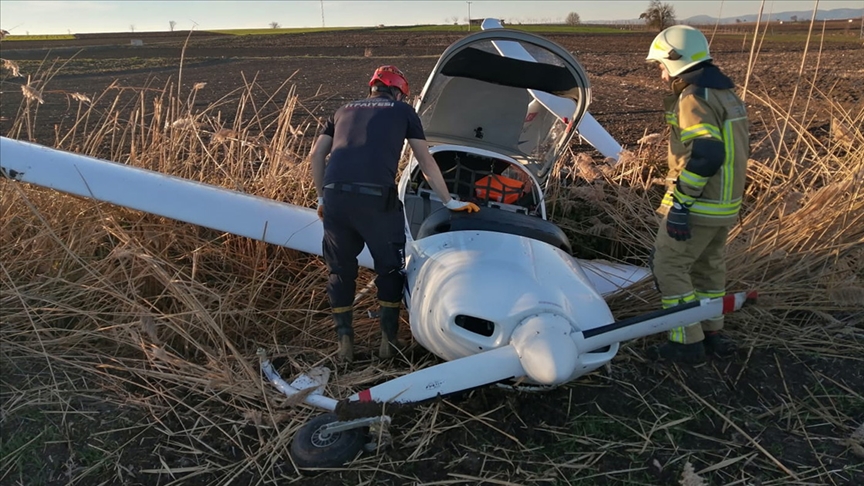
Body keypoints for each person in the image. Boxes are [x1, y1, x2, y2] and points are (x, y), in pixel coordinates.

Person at [309, 65, 480, 363]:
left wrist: (322, 197)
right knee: (389, 269)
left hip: (336, 197)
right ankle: (388, 342)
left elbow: (315, 155)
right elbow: (425, 162)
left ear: (372, 87)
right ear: (399, 91)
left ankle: (344, 344)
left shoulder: (340, 111)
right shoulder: (403, 113)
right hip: (377, 199)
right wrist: (449, 201)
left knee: (340, 271)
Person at [644, 25, 750, 363]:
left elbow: (707, 154)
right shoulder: (727, 95)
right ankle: (711, 331)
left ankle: (685, 342)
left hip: (700, 204)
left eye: (661, 64)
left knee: (669, 265)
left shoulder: (693, 98)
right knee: (708, 269)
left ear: (676, 60)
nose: (661, 73)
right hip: (725, 204)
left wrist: (681, 205)